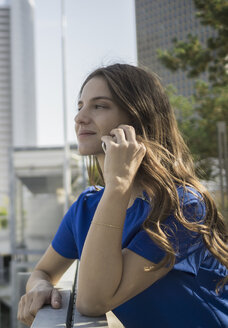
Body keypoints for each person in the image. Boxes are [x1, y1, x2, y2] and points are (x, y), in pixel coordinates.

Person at [17, 64, 228, 327]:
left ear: (137, 119)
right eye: (80, 106)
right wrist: (39, 286)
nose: (79, 118)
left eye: (99, 106)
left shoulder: (184, 207)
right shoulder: (87, 206)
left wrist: (117, 184)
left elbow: (93, 301)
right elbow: (43, 271)